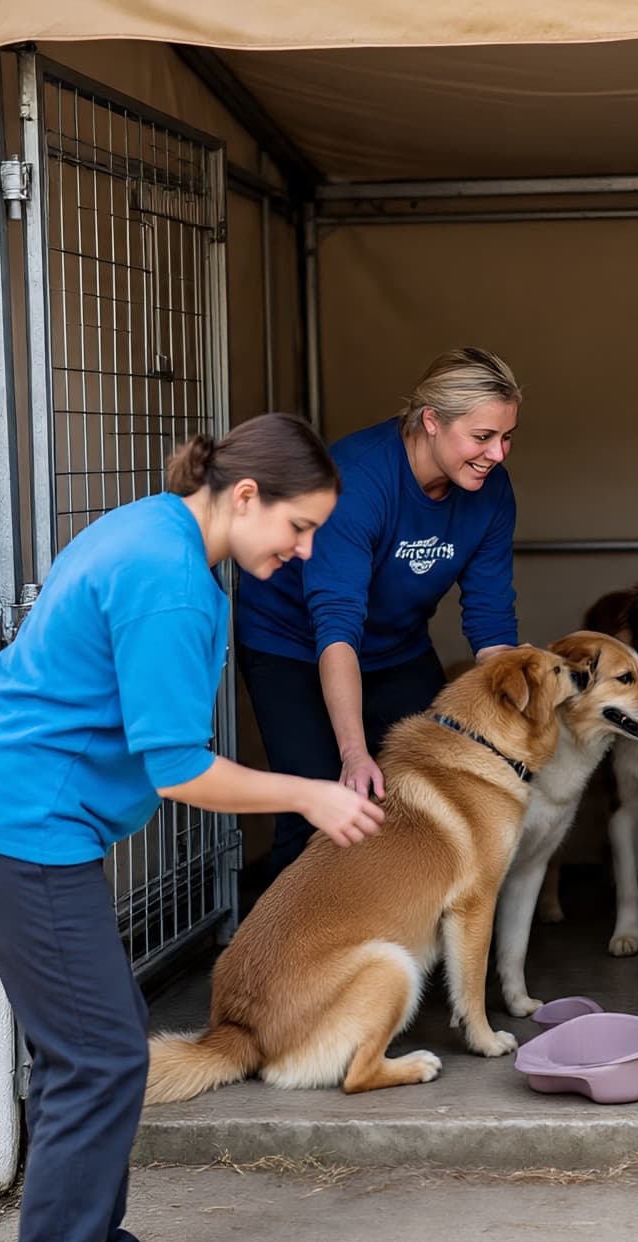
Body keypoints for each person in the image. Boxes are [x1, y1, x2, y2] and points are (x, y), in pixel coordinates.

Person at [0, 414, 384, 1242]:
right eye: (299, 528)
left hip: (13, 814)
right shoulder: (173, 580)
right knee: (102, 1056)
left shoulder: (146, 522)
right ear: (247, 495)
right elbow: (180, 768)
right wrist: (309, 792)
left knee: (94, 1050)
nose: (303, 553)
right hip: (20, 826)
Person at [235, 346, 522, 876]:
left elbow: (491, 624)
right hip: (296, 644)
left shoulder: (492, 492)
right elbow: (337, 628)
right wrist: (353, 752)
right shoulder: (357, 481)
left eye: (506, 438)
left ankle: (403, 952)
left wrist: (513, 722)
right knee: (319, 804)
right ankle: (283, 955)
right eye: (481, 437)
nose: (497, 454)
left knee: (431, 785)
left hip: (397, 646)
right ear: (431, 421)